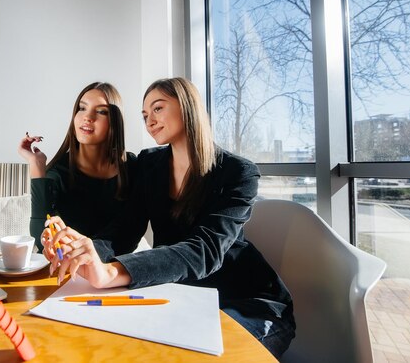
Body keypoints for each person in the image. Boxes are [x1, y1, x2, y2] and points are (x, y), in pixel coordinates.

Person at [43, 77, 296, 358]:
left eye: (158, 108)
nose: (150, 120)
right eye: (144, 115)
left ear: (187, 107)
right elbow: (125, 231)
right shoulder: (150, 164)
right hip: (186, 301)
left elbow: (204, 252)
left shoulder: (238, 172)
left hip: (248, 304)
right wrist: (81, 249)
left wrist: (112, 271)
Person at [18, 82, 136, 251]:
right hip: (73, 267)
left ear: (115, 122)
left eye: (102, 111)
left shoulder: (131, 167)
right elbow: (41, 240)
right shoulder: (58, 174)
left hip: (117, 267)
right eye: (82, 108)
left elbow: (130, 233)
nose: (88, 117)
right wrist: (37, 166)